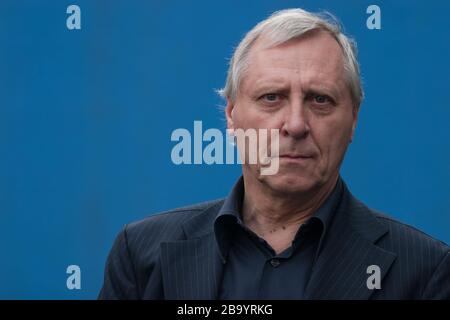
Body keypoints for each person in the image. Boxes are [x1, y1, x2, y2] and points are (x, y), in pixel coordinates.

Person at [98, 8, 449, 299]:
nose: (295, 125)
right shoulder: (142, 254)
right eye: (271, 98)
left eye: (320, 100)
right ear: (231, 116)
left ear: (354, 119)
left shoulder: (424, 271)